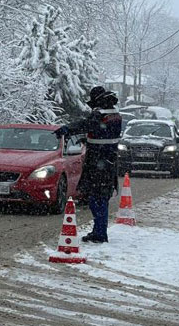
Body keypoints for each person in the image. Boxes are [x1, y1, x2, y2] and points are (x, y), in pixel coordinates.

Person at [54, 86, 122, 243]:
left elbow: (85, 124)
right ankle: (99, 230)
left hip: (98, 162)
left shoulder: (100, 114)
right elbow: (104, 134)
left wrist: (66, 129)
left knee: (95, 198)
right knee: (101, 197)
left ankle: (99, 233)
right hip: (108, 160)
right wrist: (89, 139)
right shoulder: (114, 113)